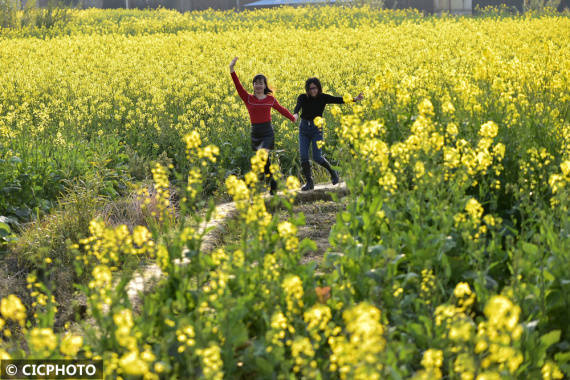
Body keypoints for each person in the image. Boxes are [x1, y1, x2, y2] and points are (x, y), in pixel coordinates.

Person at [229, 57, 296, 194]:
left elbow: (281, 109)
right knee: (263, 162)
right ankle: (274, 182)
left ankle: (269, 183)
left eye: (261, 83)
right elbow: (238, 86)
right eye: (256, 83)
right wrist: (232, 69)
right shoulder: (248, 98)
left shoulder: (270, 99)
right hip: (256, 132)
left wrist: (292, 118)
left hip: (267, 132)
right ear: (253, 85)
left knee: (262, 155)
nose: (258, 85)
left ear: (265, 86)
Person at [293, 77, 363, 191]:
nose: (312, 91)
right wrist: (295, 114)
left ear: (318, 88)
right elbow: (298, 106)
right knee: (304, 157)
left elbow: (338, 100)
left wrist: (355, 99)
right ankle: (309, 183)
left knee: (317, 157)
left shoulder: (323, 97)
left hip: (317, 128)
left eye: (314, 88)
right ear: (307, 89)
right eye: (310, 89)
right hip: (304, 129)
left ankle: (333, 172)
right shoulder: (302, 97)